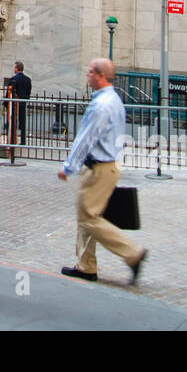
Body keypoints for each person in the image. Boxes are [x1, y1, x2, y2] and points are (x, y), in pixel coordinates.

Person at [57, 58, 147, 285]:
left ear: (99, 75)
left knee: (89, 218)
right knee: (86, 216)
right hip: (108, 166)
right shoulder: (114, 100)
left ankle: (133, 253)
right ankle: (86, 266)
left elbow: (85, 138)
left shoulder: (101, 105)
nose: (87, 76)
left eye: (89, 72)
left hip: (99, 167)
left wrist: (69, 166)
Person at [10, 61, 32, 144]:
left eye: (14, 67)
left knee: (13, 120)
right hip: (23, 102)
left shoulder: (13, 79)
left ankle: (12, 139)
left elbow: (10, 92)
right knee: (22, 121)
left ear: (16, 68)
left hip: (14, 102)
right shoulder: (28, 79)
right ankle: (23, 140)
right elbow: (28, 91)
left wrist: (5, 102)